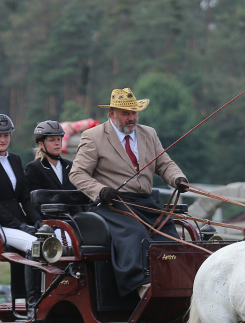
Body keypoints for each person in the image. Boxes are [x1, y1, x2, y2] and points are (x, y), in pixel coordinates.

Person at [70, 88, 190, 299]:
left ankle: (174, 282)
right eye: (126, 113)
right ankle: (142, 285)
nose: (131, 118)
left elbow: (164, 164)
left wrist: (177, 179)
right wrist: (100, 191)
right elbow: (77, 173)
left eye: (134, 113)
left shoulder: (149, 133)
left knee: (169, 234)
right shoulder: (93, 136)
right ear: (112, 114)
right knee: (136, 234)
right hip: (112, 205)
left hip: (145, 203)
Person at [0, 113, 43, 311]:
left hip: (18, 224)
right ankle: (32, 304)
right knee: (34, 245)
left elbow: (25, 197)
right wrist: (19, 225)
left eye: (6, 135)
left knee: (50, 239)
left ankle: (48, 296)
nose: (3, 140)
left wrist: (37, 220)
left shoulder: (15, 159)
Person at [24, 120, 81, 215]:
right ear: (41, 144)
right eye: (52, 140)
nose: (57, 143)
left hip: (74, 220)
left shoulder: (69, 166)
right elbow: (33, 203)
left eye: (59, 139)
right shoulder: (34, 168)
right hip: (50, 222)